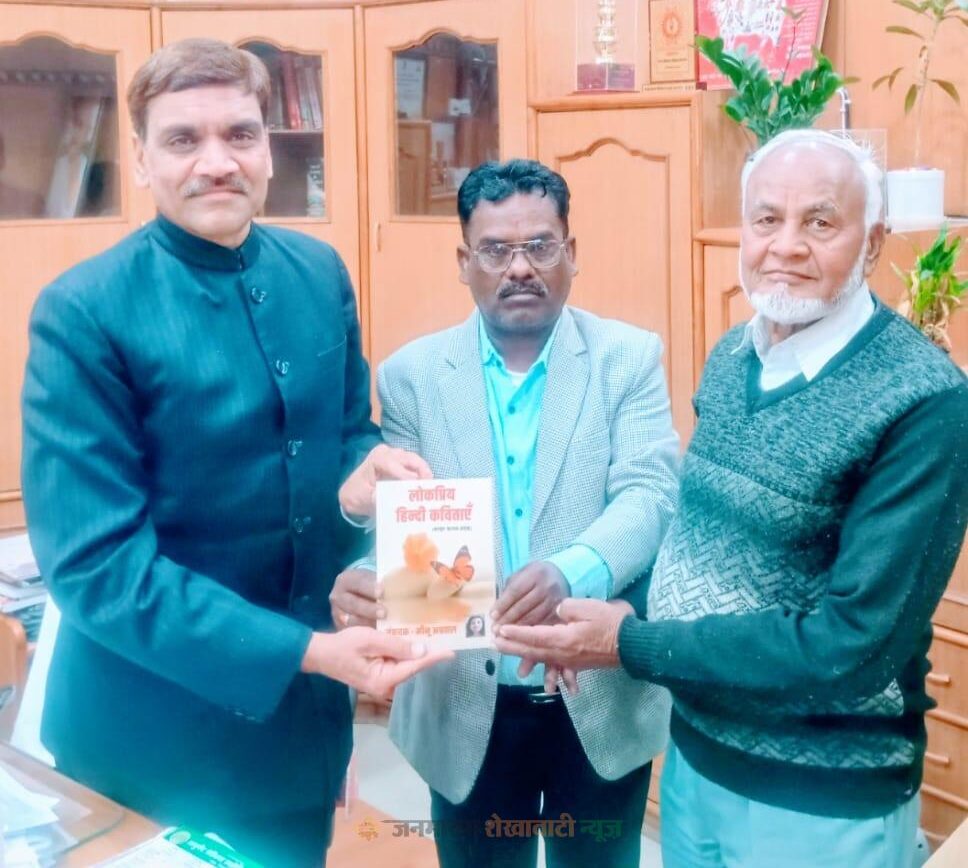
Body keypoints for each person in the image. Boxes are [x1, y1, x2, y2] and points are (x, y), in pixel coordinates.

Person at [20, 38, 448, 868]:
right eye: (183, 139)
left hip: (299, 735)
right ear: (141, 159)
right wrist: (311, 655)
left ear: (268, 149)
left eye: (240, 134)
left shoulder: (318, 272)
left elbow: (346, 434)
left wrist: (361, 481)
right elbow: (98, 569)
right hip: (146, 744)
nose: (217, 162)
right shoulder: (84, 312)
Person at [495, 130, 968, 868]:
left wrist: (627, 643)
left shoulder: (923, 400)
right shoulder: (734, 355)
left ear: (873, 242)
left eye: (820, 222)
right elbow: (698, 546)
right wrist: (604, 617)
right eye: (766, 219)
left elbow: (853, 646)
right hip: (694, 761)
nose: (786, 246)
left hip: (816, 801)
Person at [334, 158, 679, 867]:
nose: (520, 267)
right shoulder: (411, 377)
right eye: (495, 250)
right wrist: (372, 576)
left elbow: (651, 495)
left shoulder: (628, 358)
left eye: (540, 245)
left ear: (571, 252)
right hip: (465, 702)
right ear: (465, 262)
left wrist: (570, 572)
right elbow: (405, 518)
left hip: (597, 696)